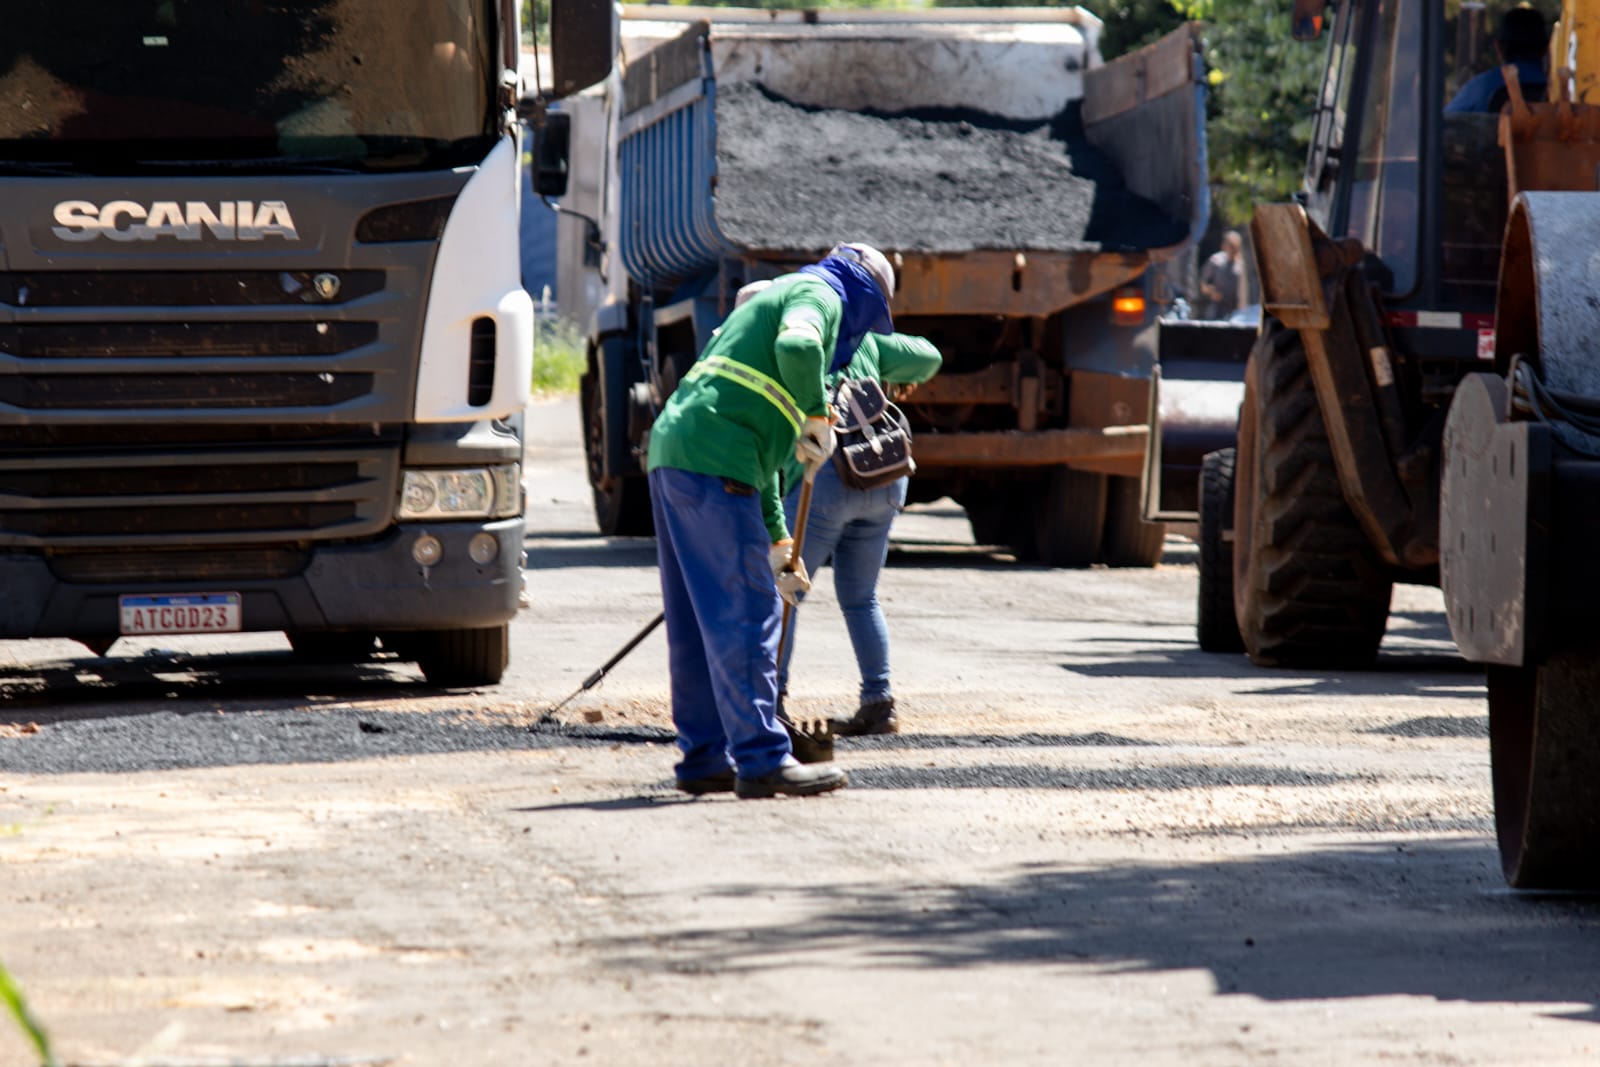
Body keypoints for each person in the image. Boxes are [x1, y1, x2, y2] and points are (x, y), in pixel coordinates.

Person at [645, 242, 896, 799]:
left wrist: (781, 546)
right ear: (863, 292)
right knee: (750, 613)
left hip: (678, 453)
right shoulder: (821, 291)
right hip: (715, 456)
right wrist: (813, 410)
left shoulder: (758, 367)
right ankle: (761, 759)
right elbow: (801, 341)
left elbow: (764, 478)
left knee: (694, 620)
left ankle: (705, 759)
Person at [774, 328, 943, 736]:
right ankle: (878, 703)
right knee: (861, 598)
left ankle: (771, 702)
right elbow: (928, 357)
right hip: (882, 477)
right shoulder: (863, 338)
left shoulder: (788, 344)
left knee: (785, 592)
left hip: (826, 483)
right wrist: (893, 371)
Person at [1446, 7, 1549, 114]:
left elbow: (1443, 124)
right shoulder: (1559, 88)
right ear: (1546, 47)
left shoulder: (1481, 87)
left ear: (1498, 47)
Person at [1199, 230, 1244, 321]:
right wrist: (1212, 292)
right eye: (1230, 245)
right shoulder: (1216, 261)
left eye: (1234, 245)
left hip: (1234, 313)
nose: (1232, 248)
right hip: (1215, 311)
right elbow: (1202, 284)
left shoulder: (1241, 266)